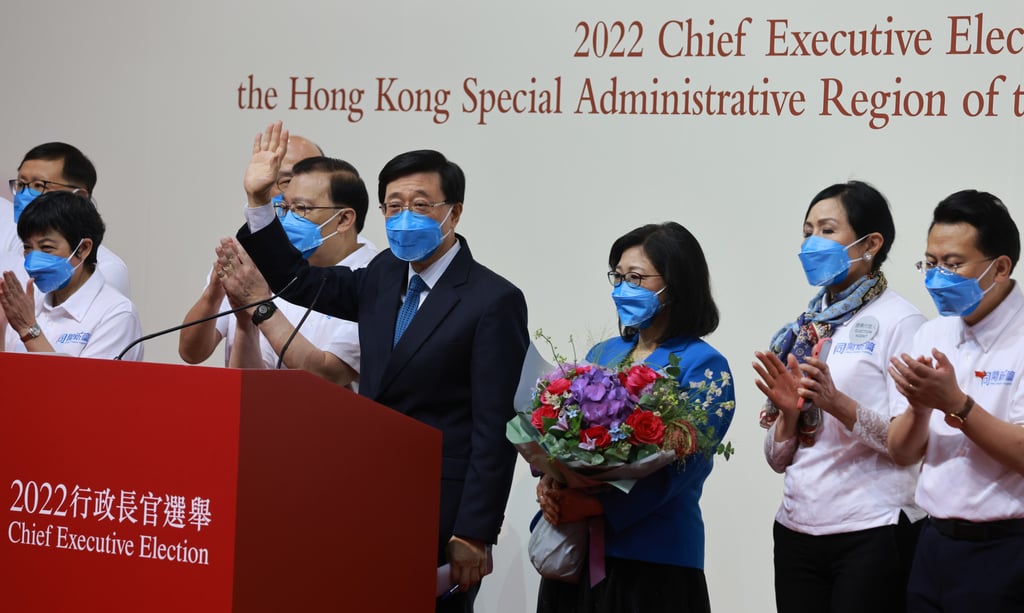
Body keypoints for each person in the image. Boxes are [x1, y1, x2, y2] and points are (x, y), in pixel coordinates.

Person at [229, 121, 529, 612]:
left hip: (440, 511)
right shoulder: (385, 272)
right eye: (393, 206)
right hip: (368, 496)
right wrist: (260, 203)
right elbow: (298, 280)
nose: (403, 217)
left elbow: (494, 427)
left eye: (420, 205)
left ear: (454, 211)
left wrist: (475, 531)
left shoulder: (492, 299)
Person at [535, 222, 734, 613]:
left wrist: (598, 507)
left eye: (636, 278)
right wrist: (550, 481)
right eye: (619, 277)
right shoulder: (603, 353)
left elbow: (684, 468)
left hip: (652, 558)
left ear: (675, 285)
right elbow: (562, 429)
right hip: (576, 550)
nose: (623, 288)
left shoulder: (704, 365)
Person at [752, 181, 925, 613]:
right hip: (796, 528)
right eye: (807, 231)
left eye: (827, 231)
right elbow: (777, 459)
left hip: (872, 528)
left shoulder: (901, 322)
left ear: (871, 243)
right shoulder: (803, 329)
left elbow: (909, 445)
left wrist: (836, 403)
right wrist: (788, 415)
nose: (812, 243)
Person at [888, 190, 1024, 612]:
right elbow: (902, 453)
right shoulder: (933, 333)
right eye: (930, 263)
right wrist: (919, 407)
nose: (936, 277)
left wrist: (957, 405)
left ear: (1000, 267)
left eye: (952, 264)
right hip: (933, 543)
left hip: (1006, 549)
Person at [178, 154, 376, 387]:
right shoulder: (263, 264)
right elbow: (196, 356)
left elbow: (326, 375)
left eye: (301, 209)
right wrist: (229, 309)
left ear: (343, 219)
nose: (288, 219)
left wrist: (259, 306)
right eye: (285, 207)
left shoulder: (373, 280)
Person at [0, 191, 142, 360]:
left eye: (47, 248)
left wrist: (29, 330)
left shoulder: (116, 314)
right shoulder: (26, 304)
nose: (33, 259)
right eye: (27, 248)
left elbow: (83, 379)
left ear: (83, 249)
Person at [6, 142, 131, 297]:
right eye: (21, 184)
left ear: (79, 196)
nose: (24, 195)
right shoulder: (10, 256)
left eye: (39, 185)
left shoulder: (108, 269)